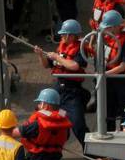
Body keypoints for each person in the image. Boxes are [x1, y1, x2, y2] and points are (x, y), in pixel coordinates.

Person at [34, 19, 89, 152]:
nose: (62, 37)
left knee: (77, 123)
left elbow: (75, 66)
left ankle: (92, 154)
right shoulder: (61, 48)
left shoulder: (80, 49)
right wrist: (41, 55)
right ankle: (48, 147)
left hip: (72, 93)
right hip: (59, 91)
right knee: (50, 116)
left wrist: (57, 58)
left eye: (64, 34)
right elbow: (47, 65)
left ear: (72, 35)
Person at [88, 10, 125, 131]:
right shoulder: (105, 40)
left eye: (109, 28)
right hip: (108, 82)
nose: (106, 31)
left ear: (116, 27)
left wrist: (102, 75)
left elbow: (122, 67)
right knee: (108, 113)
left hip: (122, 82)